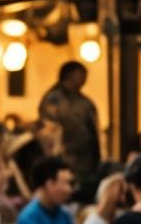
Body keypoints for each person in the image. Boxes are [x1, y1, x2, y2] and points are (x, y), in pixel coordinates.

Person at [38, 60, 100, 198]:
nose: (85, 78)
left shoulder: (85, 101)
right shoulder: (53, 99)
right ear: (69, 75)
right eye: (81, 74)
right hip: (65, 158)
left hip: (87, 161)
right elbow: (50, 130)